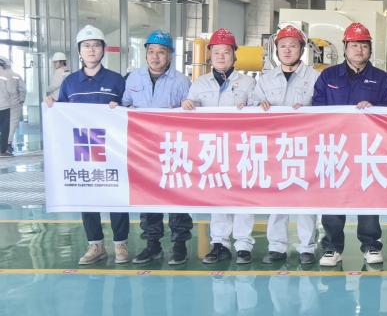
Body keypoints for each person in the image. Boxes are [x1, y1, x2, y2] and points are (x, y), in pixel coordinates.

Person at [45, 25, 129, 265]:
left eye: (96, 46)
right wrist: (52, 106)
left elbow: (129, 110)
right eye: (86, 46)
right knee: (87, 194)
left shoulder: (116, 80)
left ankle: (120, 244)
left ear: (103, 50)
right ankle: (96, 245)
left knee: (116, 194)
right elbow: (62, 115)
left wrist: (119, 108)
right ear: (79, 51)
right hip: (82, 149)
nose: (91, 50)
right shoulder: (70, 82)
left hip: (112, 148)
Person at [312, 21, 387, 267]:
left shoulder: (381, 79)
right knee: (334, 197)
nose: (359, 50)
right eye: (354, 45)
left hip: (367, 148)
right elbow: (317, 108)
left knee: (368, 196)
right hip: (335, 147)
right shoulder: (328, 76)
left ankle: (370, 245)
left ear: (370, 49)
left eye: (364, 46)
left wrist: (374, 109)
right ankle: (332, 247)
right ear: (345, 48)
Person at [182, 28, 257, 265]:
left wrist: (253, 108)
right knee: (218, 195)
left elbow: (259, 113)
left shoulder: (248, 83)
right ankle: (220, 244)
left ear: (234, 55)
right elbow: (190, 112)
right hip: (213, 149)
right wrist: (187, 105)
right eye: (216, 52)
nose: (221, 56)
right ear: (210, 55)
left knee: (243, 196)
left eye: (226, 52)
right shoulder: (199, 84)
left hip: (241, 148)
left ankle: (243, 245)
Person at [250, 24, 321, 266]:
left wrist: (309, 110)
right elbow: (252, 105)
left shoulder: (315, 78)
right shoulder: (265, 79)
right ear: (276, 50)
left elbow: (325, 107)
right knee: (277, 198)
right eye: (283, 46)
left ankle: (307, 247)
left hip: (305, 147)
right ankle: (277, 246)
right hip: (275, 147)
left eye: (292, 46)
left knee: (306, 198)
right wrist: (257, 106)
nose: (287, 50)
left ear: (301, 49)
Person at [123, 30, 193, 266]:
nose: (155, 57)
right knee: (148, 196)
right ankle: (152, 245)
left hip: (174, 148)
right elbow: (123, 106)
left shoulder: (182, 82)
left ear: (170, 55)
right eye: (151, 51)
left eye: (161, 52)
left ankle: (180, 245)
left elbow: (191, 113)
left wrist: (187, 106)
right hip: (143, 149)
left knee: (177, 195)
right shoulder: (133, 79)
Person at [0, 57, 23, 157]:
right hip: (7, 105)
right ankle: (4, 149)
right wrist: (21, 100)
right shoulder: (9, 75)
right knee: (7, 128)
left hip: (5, 104)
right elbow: (13, 90)